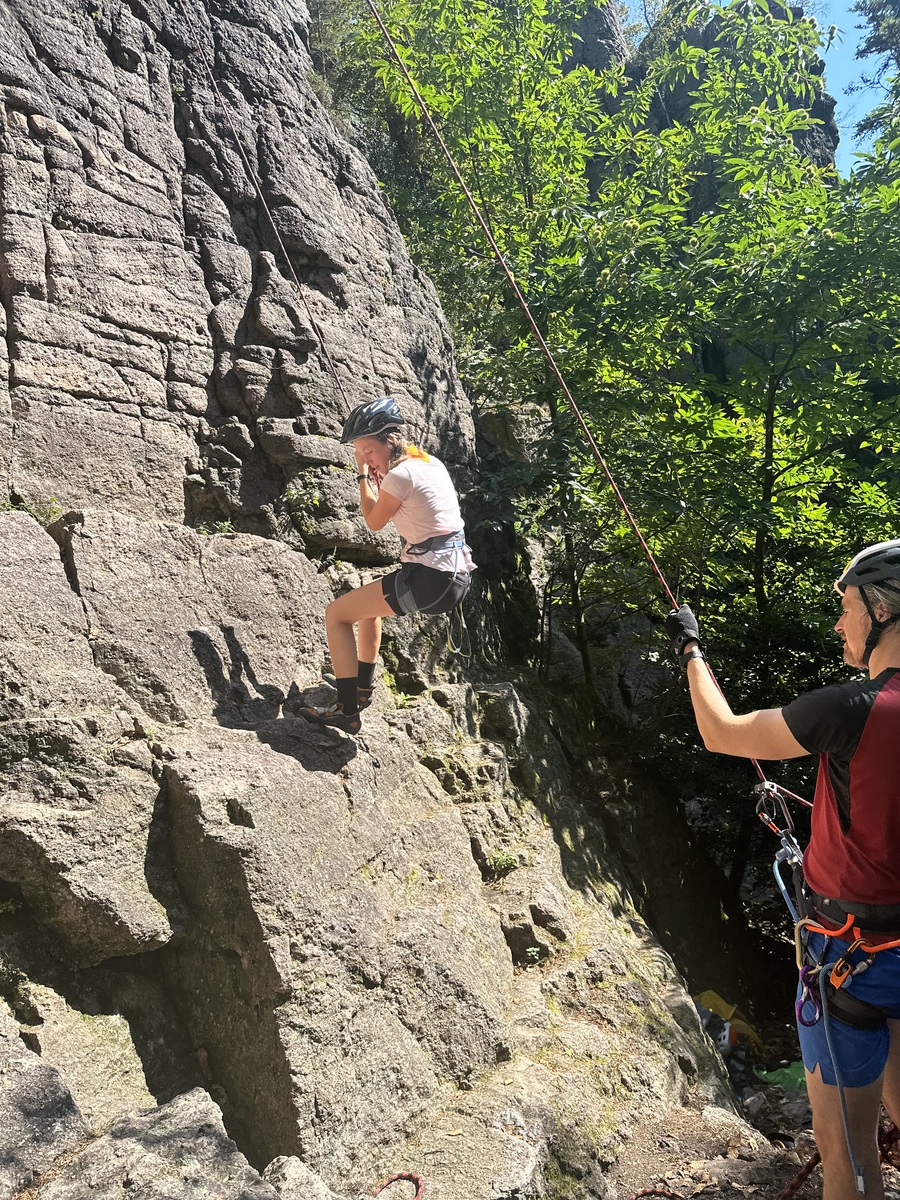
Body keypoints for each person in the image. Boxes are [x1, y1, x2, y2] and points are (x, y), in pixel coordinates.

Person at [665, 539, 900, 1200]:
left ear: (881, 609)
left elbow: (722, 731)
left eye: (847, 606)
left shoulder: (849, 709)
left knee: (848, 1155)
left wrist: (690, 649)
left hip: (851, 955)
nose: (839, 623)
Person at [301, 397, 475, 734]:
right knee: (368, 609)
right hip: (453, 576)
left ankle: (347, 711)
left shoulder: (400, 475)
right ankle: (361, 689)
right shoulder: (428, 463)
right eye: (361, 453)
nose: (366, 458)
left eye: (368, 450)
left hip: (430, 578)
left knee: (337, 614)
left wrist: (361, 475)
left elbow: (373, 521)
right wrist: (376, 471)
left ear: (391, 439)